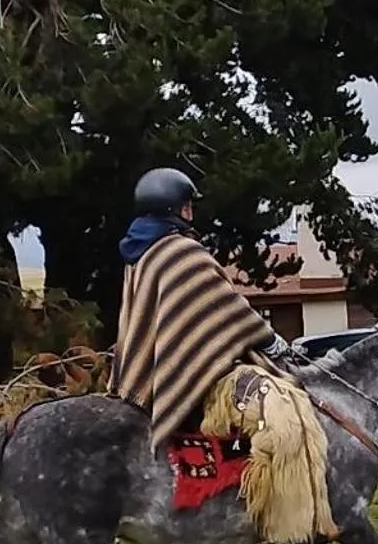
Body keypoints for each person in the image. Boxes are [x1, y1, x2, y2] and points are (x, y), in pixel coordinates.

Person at [109, 167, 293, 451]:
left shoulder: (139, 253)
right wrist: (269, 340)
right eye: (187, 207)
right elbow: (229, 307)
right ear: (171, 208)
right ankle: (256, 481)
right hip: (193, 374)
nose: (191, 214)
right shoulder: (182, 251)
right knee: (278, 409)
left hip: (149, 375)